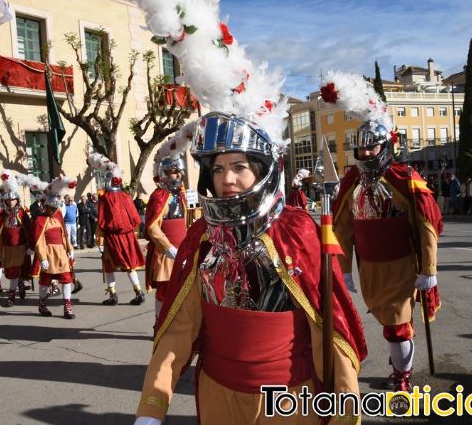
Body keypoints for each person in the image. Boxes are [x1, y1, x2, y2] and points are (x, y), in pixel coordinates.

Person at [136, 112, 366, 425]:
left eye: (239, 166)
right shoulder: (202, 236)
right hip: (219, 398)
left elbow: (328, 325)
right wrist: (152, 406)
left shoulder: (295, 230)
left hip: (289, 400)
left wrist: (344, 406)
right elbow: (180, 327)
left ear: (262, 169)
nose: (226, 179)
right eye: (218, 168)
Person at [322, 72, 443, 392]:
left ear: (385, 147)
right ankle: (399, 361)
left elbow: (426, 224)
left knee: (397, 325)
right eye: (360, 151)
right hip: (370, 268)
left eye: (371, 150)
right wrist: (344, 268)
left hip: (401, 265)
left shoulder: (405, 178)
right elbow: (343, 228)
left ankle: (402, 375)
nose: (365, 156)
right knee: (387, 321)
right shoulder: (351, 183)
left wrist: (429, 269)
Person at [145, 123, 194, 321]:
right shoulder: (159, 195)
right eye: (175, 172)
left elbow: (190, 218)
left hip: (183, 249)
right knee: (164, 291)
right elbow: (152, 226)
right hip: (167, 252)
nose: (178, 176)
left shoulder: (182, 194)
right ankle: (159, 323)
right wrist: (167, 247)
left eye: (179, 172)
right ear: (165, 173)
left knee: (185, 289)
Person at [88, 153, 146, 306]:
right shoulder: (126, 196)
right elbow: (135, 218)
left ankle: (113, 295)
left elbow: (101, 221)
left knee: (109, 266)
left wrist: (99, 239)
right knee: (129, 265)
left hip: (112, 237)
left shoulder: (105, 198)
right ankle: (138, 291)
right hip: (128, 236)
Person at [31, 177, 77, 318]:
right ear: (46, 207)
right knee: (45, 281)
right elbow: (39, 241)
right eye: (51, 208)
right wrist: (42, 258)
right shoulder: (39, 220)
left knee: (66, 279)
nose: (54, 211)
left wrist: (70, 249)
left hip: (61, 253)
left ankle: (67, 306)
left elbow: (64, 235)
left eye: (55, 208)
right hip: (49, 253)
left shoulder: (58, 217)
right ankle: (42, 305)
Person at [0, 170, 34, 307]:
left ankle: (11, 297)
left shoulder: (22, 213)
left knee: (17, 271)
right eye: (8, 200)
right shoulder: (1, 215)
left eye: (13, 199)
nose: (10, 202)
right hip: (7, 249)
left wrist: (30, 246)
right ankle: (19, 286)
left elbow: (29, 230)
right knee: (12, 272)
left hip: (21, 248)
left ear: (17, 199)